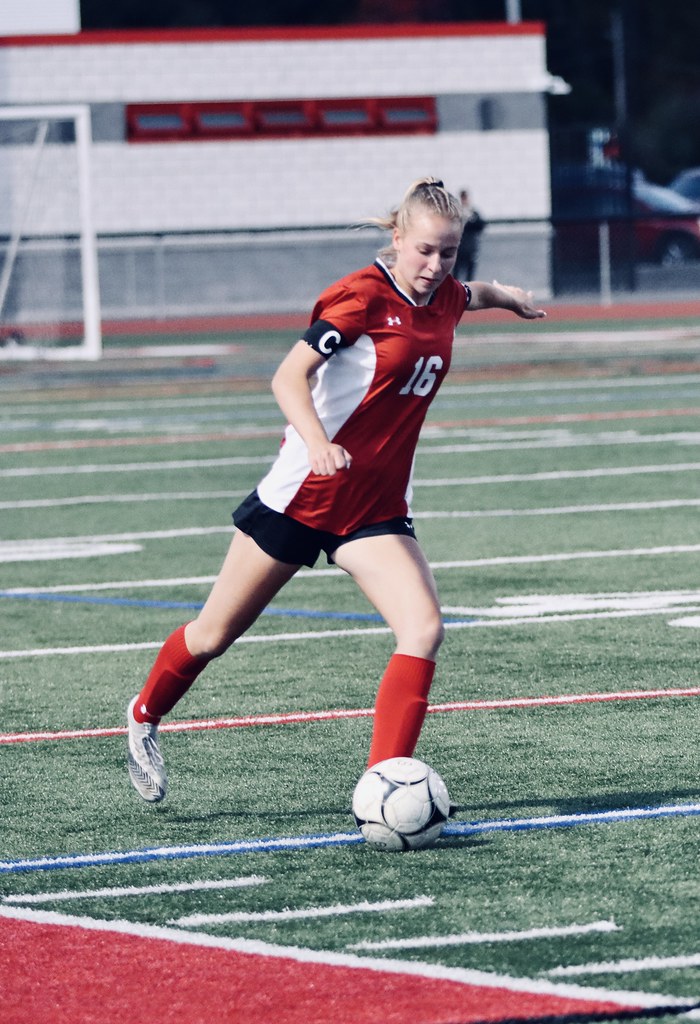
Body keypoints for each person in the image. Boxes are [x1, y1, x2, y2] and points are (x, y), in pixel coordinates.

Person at [126, 176, 545, 804]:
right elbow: (288, 377)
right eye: (424, 250)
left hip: (373, 508)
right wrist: (318, 441)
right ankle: (142, 717)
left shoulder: (446, 294)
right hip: (303, 495)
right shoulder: (360, 297)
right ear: (397, 237)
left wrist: (507, 297)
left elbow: (470, 293)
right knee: (212, 635)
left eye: (449, 253)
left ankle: (385, 783)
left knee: (423, 628)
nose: (436, 266)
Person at [453, 188, 486, 282]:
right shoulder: (456, 212)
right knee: (456, 273)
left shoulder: (474, 213)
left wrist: (472, 220)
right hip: (459, 247)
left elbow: (481, 226)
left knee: (470, 274)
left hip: (471, 247)